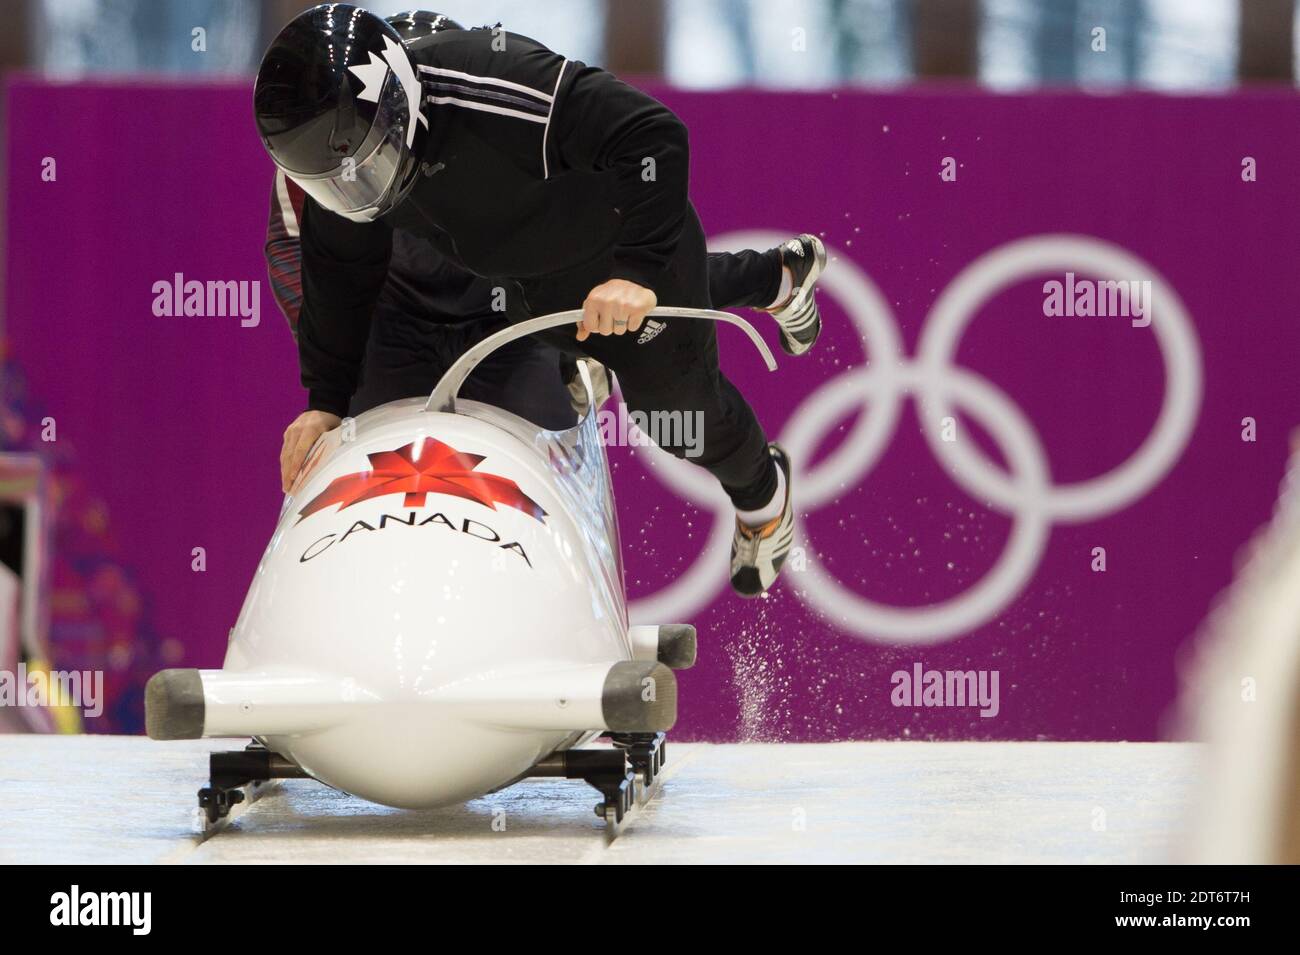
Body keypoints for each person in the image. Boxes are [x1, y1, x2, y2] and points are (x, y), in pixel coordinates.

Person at [253, 5, 826, 596]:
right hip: (520, 276)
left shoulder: (495, 80)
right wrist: (325, 398)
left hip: (618, 237)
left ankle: (765, 494)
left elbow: (654, 134)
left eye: (366, 168)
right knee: (556, 331)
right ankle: (773, 278)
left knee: (675, 419)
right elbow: (341, 276)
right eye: (337, 183)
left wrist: (638, 272)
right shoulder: (333, 162)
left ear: (403, 101)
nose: (358, 192)